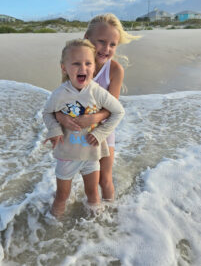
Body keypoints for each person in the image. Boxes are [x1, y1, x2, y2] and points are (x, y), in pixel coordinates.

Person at [55, 13, 136, 200]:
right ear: (87, 39)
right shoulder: (76, 64)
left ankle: (110, 217)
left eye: (113, 44)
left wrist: (93, 118)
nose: (106, 49)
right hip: (76, 132)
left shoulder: (114, 70)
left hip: (103, 131)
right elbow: (62, 100)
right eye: (101, 41)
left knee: (104, 179)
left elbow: (112, 108)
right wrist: (61, 118)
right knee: (73, 176)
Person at [43, 39, 125, 217]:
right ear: (64, 68)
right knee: (61, 196)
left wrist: (101, 132)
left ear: (94, 67)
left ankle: (95, 230)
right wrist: (55, 130)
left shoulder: (97, 92)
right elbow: (47, 113)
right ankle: (52, 227)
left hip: (91, 155)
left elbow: (118, 111)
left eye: (88, 63)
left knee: (93, 194)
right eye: (76, 64)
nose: (83, 68)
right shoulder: (59, 94)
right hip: (67, 155)